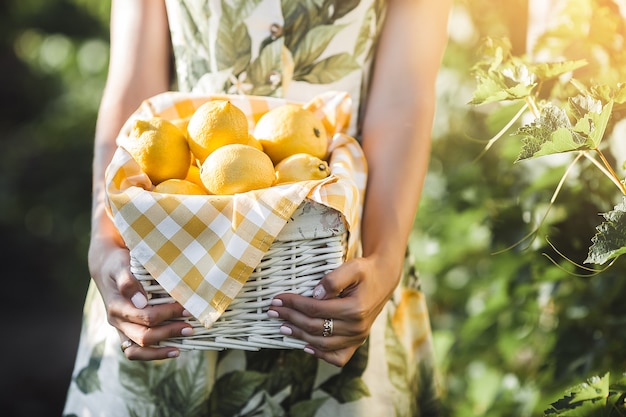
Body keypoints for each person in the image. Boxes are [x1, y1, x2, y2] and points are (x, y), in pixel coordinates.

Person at [63, 0, 451, 415]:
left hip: (347, 262)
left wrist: (384, 261)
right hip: (170, 253)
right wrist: (105, 240)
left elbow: (404, 98)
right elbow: (134, 87)